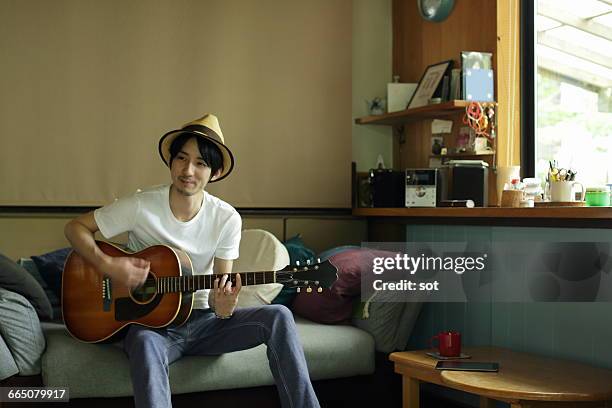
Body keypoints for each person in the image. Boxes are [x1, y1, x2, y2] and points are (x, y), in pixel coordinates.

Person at [64, 113, 320, 408]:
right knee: (145, 343)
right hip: (153, 328)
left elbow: (219, 292)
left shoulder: (226, 218)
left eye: (201, 163)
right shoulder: (141, 205)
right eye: (182, 159)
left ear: (216, 172)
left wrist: (223, 307)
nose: (188, 170)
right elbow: (76, 228)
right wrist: (108, 265)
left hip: (204, 322)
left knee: (279, 316)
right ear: (171, 162)